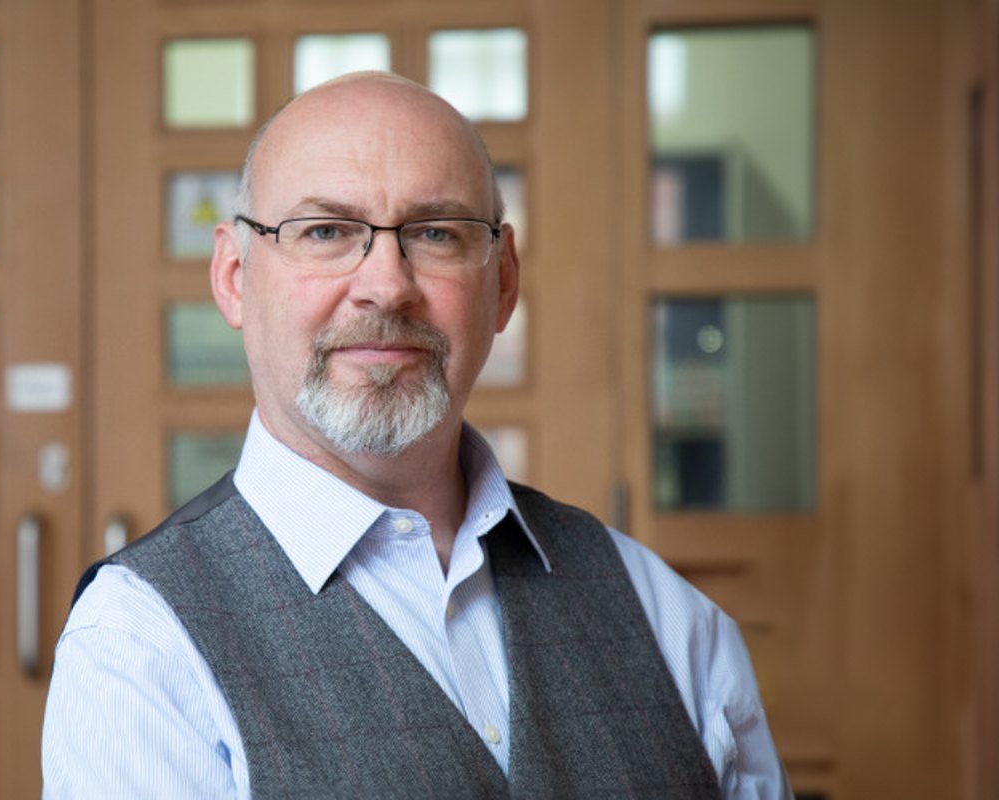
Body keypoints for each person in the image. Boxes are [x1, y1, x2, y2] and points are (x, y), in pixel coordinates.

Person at [42, 71, 791, 799]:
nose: (387, 284)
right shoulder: (139, 647)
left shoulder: (667, 617)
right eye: (327, 231)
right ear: (236, 277)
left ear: (502, 284)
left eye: (436, 233)